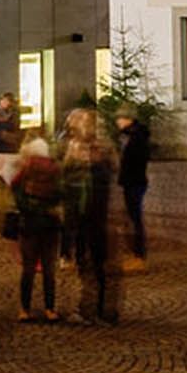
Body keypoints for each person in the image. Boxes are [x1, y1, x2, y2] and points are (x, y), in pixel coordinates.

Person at [59, 109, 119, 324]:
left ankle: (94, 310)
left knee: (94, 264)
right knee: (90, 263)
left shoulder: (95, 149)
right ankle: (95, 309)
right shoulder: (82, 147)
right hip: (86, 216)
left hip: (92, 216)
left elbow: (109, 173)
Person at [9, 137, 63, 322]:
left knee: (28, 269)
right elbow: (62, 192)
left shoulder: (27, 168)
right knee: (49, 269)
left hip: (30, 223)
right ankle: (50, 309)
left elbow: (15, 186)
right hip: (51, 224)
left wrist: (26, 206)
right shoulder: (56, 169)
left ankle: (25, 309)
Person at [115, 109, 152, 270]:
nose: (117, 122)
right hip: (132, 181)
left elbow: (134, 160)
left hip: (134, 181)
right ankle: (135, 253)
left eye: (119, 119)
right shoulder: (129, 135)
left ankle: (139, 255)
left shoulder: (136, 137)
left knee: (135, 219)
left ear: (128, 119)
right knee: (132, 218)